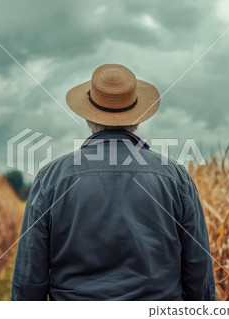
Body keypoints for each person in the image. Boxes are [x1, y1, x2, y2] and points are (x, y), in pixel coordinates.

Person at [11, 64, 215, 300]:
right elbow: (198, 268)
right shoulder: (176, 177)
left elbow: (29, 276)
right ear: (137, 119)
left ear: (89, 117)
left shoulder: (51, 178)